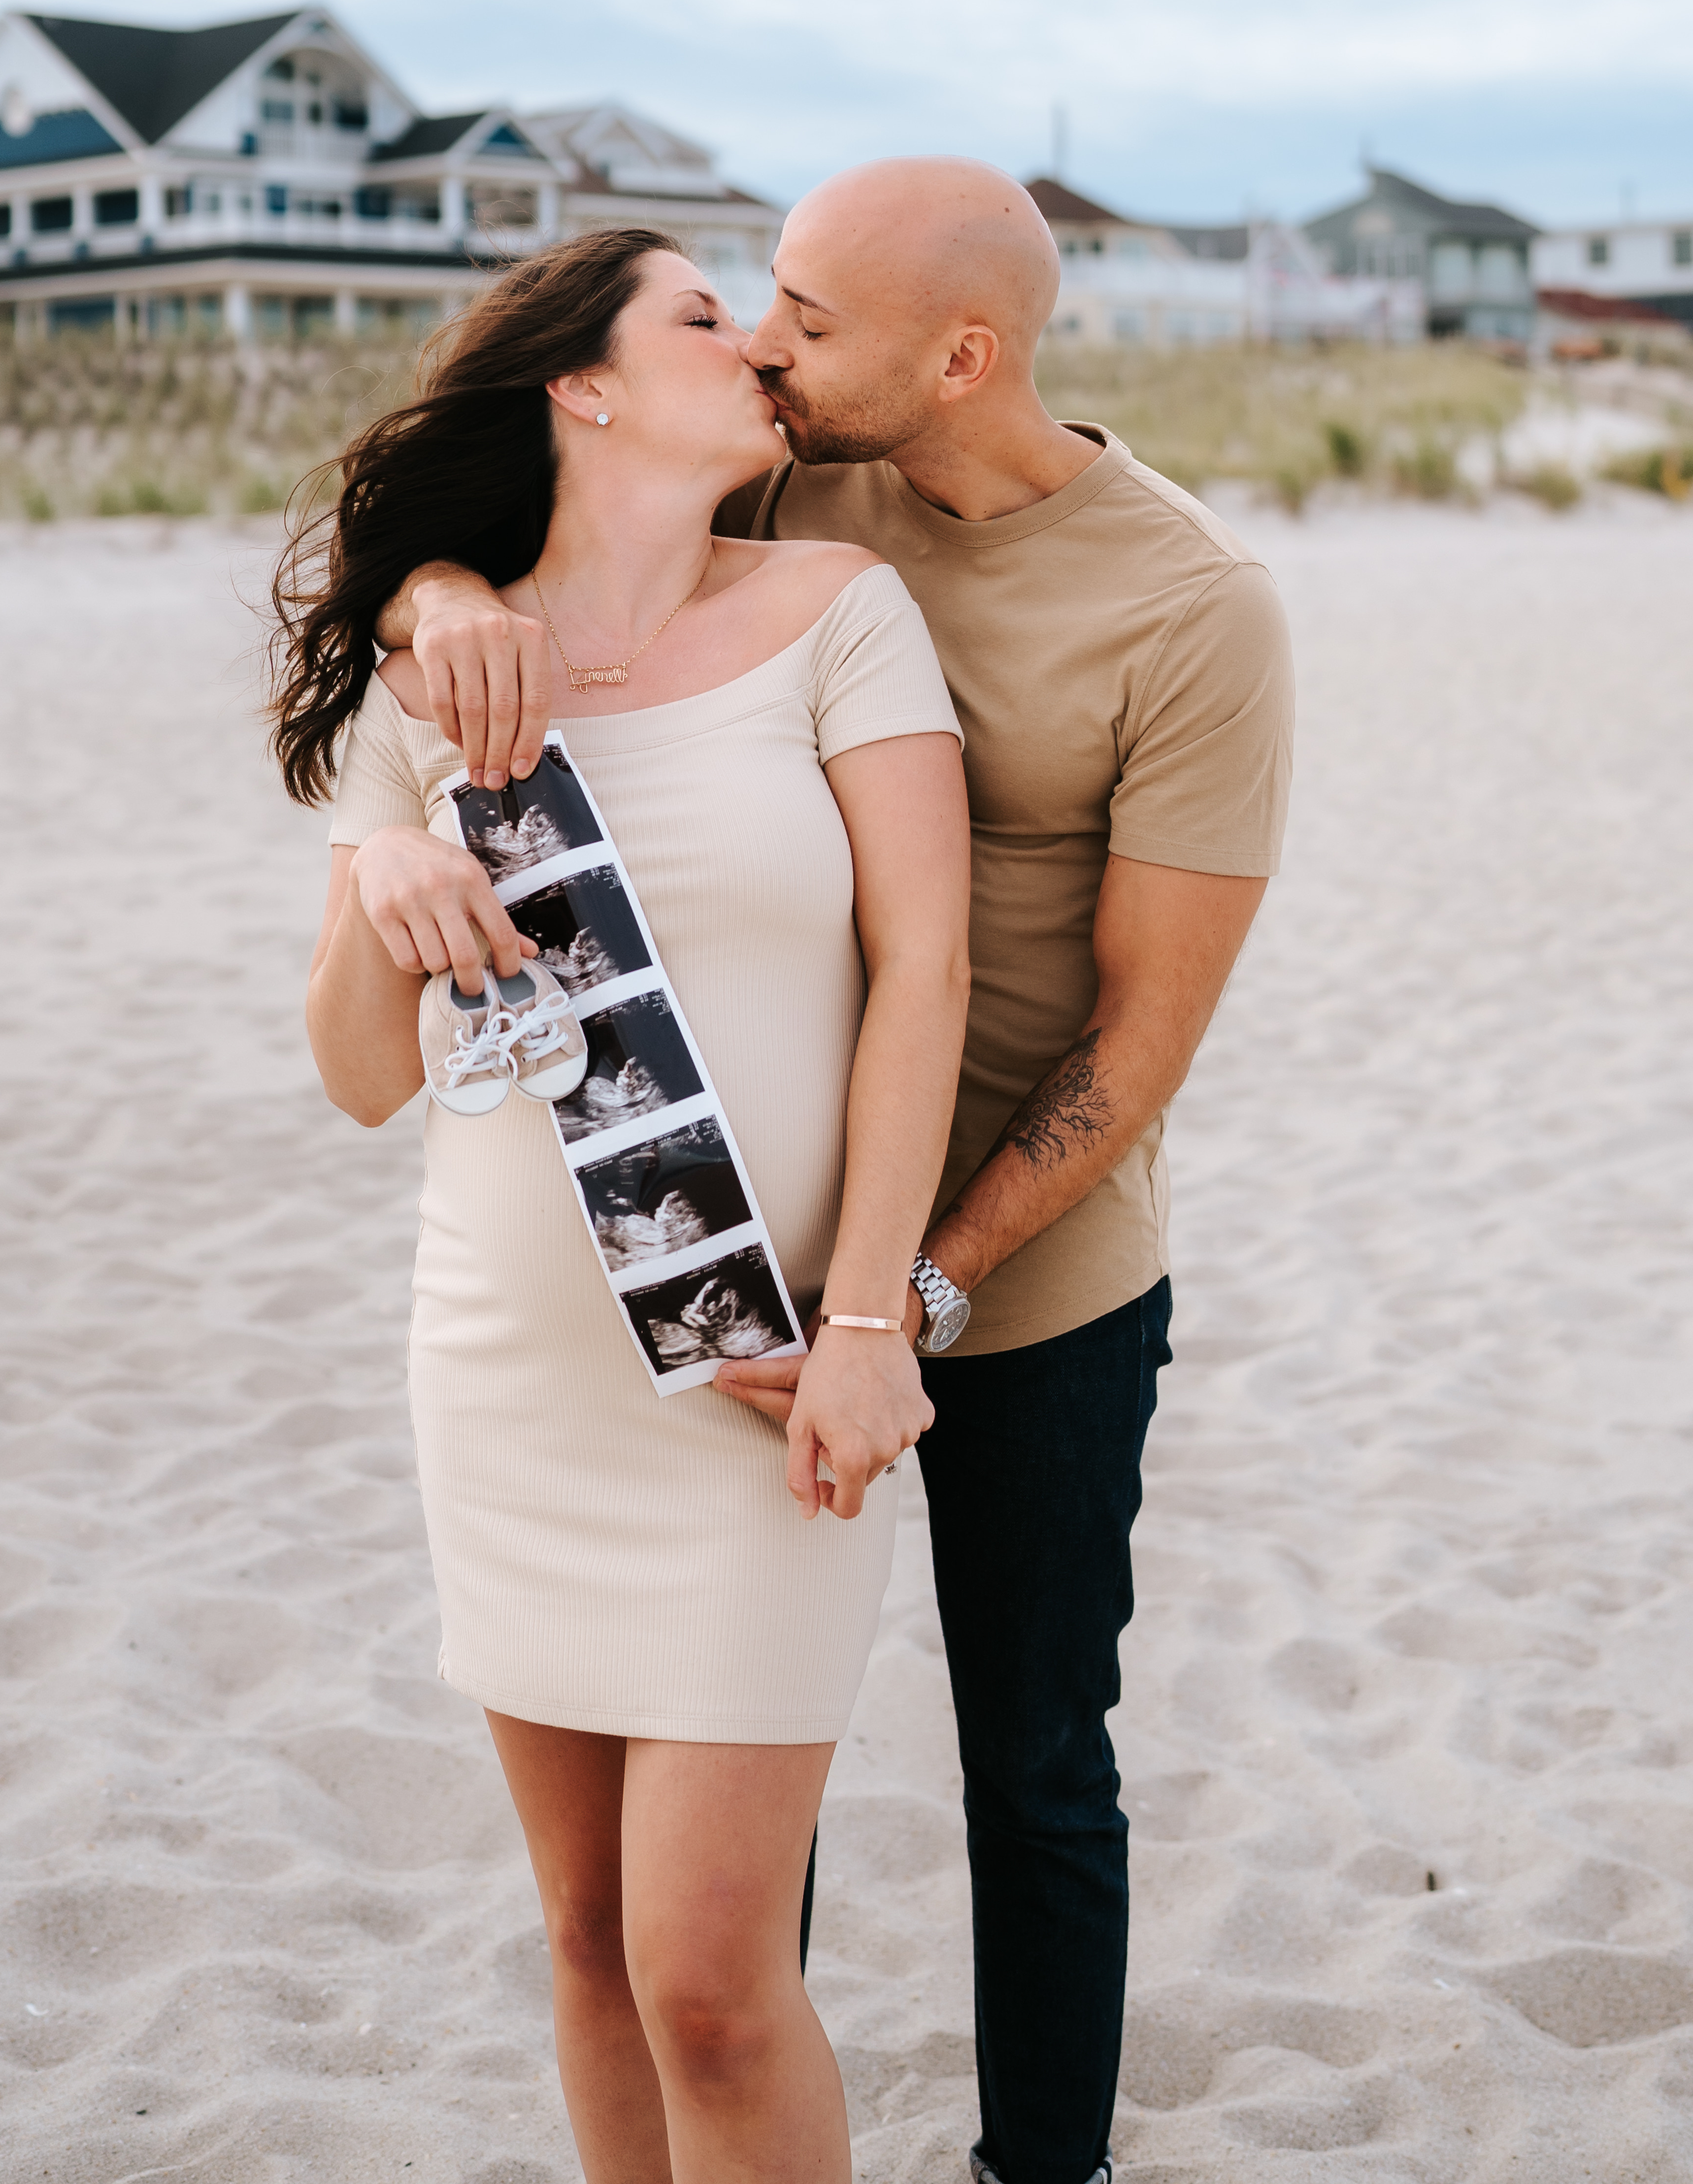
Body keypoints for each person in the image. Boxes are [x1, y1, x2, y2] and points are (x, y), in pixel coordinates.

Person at [375, 161, 1295, 2184]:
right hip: (742, 1248)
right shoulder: (795, 497)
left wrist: (907, 1295)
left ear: (962, 357)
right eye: (752, 302)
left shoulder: (1191, 608)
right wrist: (430, 603)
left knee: (1035, 1768)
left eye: (805, 314)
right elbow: (530, 561)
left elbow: (1137, 1036)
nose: (771, 344)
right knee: (706, 1902)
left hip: (1029, 1267)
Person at [270, 227, 971, 2184]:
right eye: (701, 314)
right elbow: (356, 1075)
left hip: (757, 1378)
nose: (757, 341)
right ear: (581, 383)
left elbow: (927, 971)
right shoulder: (442, 661)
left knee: (716, 1987)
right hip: (510, 1373)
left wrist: (863, 1322)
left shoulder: (843, 608)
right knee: (587, 1942)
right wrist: (394, 874)